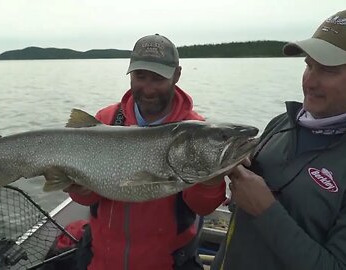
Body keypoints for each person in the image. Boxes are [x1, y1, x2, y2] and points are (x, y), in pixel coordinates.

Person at [211, 9, 346, 270]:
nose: (310, 81)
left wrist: (266, 211)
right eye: (308, 65)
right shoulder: (281, 124)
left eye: (328, 70)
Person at [65, 34, 226, 270]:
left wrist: (211, 183)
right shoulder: (106, 120)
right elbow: (87, 198)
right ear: (130, 74)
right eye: (140, 77)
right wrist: (78, 188)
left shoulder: (197, 133)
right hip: (101, 260)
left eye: (158, 78)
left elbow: (203, 207)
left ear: (176, 75)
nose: (148, 89)